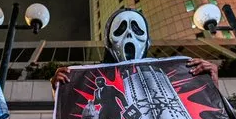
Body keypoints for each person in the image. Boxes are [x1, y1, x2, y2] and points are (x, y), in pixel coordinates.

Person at [51, 8, 218, 89]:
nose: (129, 35)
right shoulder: (91, 81)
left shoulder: (173, 75)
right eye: (120, 30)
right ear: (108, 42)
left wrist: (210, 84)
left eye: (137, 30)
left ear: (148, 41)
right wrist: (61, 90)